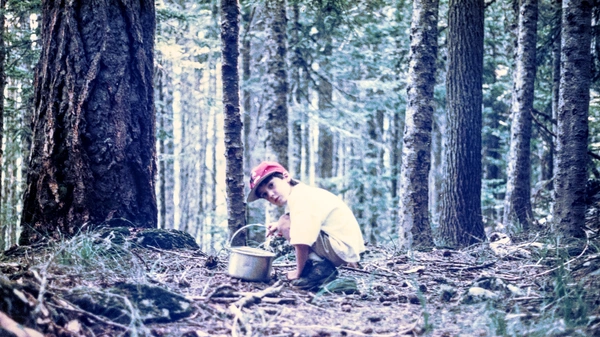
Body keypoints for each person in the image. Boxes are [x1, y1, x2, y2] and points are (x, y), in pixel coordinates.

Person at [247, 161, 366, 289]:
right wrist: (278, 225)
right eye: (264, 194)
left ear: (286, 177)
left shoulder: (301, 198)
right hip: (345, 247)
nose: (270, 194)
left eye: (271, 185)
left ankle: (318, 268)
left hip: (341, 249)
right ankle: (320, 266)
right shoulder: (302, 193)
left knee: (285, 222)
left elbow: (302, 241)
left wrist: (298, 272)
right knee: (284, 221)